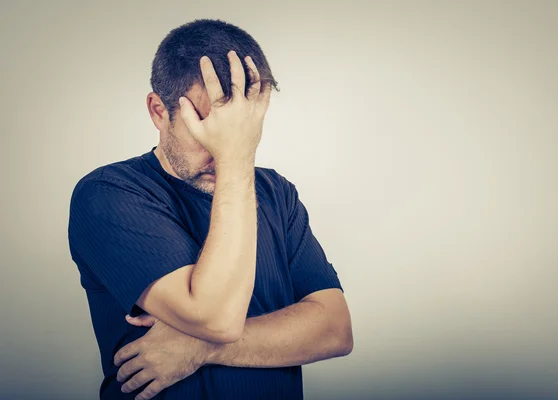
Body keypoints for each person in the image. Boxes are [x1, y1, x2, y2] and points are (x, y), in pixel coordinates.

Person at [68, 19, 353, 400]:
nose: (222, 148)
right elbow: (215, 317)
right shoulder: (108, 194)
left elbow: (335, 330)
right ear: (157, 111)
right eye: (206, 126)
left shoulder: (276, 193)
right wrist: (236, 158)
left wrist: (201, 348)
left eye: (237, 129)